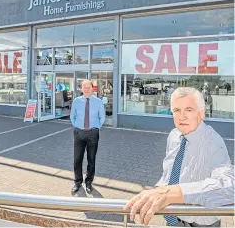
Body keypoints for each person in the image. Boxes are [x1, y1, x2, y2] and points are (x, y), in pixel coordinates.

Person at [123, 87, 234, 227]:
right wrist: (159, 191)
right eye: (176, 110)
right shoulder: (174, 135)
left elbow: (230, 185)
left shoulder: (213, 142)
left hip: (200, 222)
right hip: (174, 219)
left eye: (189, 110)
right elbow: (170, 172)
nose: (182, 116)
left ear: (202, 113)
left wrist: (174, 193)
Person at [70, 80, 105, 194]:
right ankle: (77, 182)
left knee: (91, 159)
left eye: (88, 87)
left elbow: (102, 117)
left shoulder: (98, 102)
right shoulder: (76, 101)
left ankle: (89, 182)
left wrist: (96, 128)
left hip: (92, 134)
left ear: (92, 88)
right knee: (77, 159)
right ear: (81, 88)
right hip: (79, 133)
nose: (86, 89)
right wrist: (77, 126)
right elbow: (72, 116)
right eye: (84, 87)